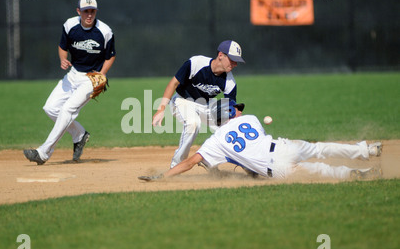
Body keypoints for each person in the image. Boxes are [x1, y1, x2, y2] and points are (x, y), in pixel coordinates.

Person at [140, 99, 383, 181]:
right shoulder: (253, 119)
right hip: (285, 146)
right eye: (236, 109)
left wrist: (164, 176)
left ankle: (357, 175)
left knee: (318, 170)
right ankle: (366, 150)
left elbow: (190, 162)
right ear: (228, 114)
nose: (240, 111)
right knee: (320, 149)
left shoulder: (214, 142)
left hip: (275, 166)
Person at [23, 0, 116, 165]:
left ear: (96, 11)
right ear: (78, 11)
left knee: (67, 109)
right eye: (86, 11)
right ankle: (79, 134)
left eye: (92, 11)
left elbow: (111, 56)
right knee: (50, 108)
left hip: (90, 79)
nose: (89, 14)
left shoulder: (105, 31)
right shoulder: (70, 25)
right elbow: (62, 46)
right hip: (72, 75)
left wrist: (102, 74)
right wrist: (62, 59)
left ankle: (43, 153)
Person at [152, 40, 245, 168]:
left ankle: (215, 161)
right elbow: (173, 83)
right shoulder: (196, 63)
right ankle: (176, 166)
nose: (235, 64)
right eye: (232, 59)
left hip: (206, 105)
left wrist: (234, 122)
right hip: (182, 101)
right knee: (193, 123)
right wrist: (161, 109)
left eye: (237, 61)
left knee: (228, 130)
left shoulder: (230, 82)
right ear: (221, 55)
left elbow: (231, 109)